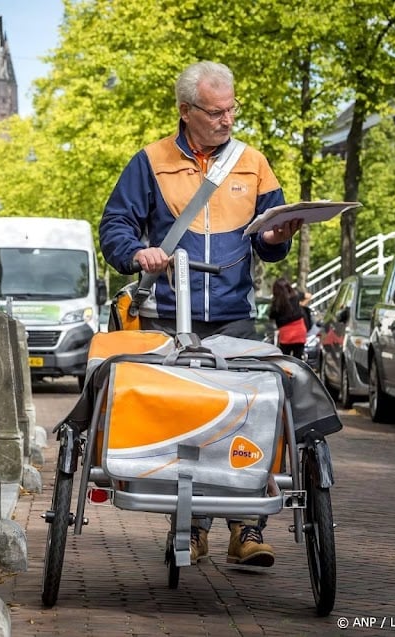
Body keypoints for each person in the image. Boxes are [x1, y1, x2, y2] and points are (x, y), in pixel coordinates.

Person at [99, 60, 302, 568]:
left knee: (255, 409)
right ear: (186, 111)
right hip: (169, 315)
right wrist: (136, 253)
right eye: (216, 111)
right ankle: (190, 526)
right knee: (186, 416)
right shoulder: (149, 162)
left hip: (235, 313)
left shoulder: (253, 162)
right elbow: (115, 227)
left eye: (232, 109)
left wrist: (277, 237)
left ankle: (247, 529)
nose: (227, 119)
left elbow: (270, 240)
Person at [269, 277, 308, 359]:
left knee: (285, 358)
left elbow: (271, 316)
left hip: (286, 334)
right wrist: (301, 305)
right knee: (298, 358)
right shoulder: (296, 296)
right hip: (299, 330)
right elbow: (308, 296)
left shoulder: (276, 303)